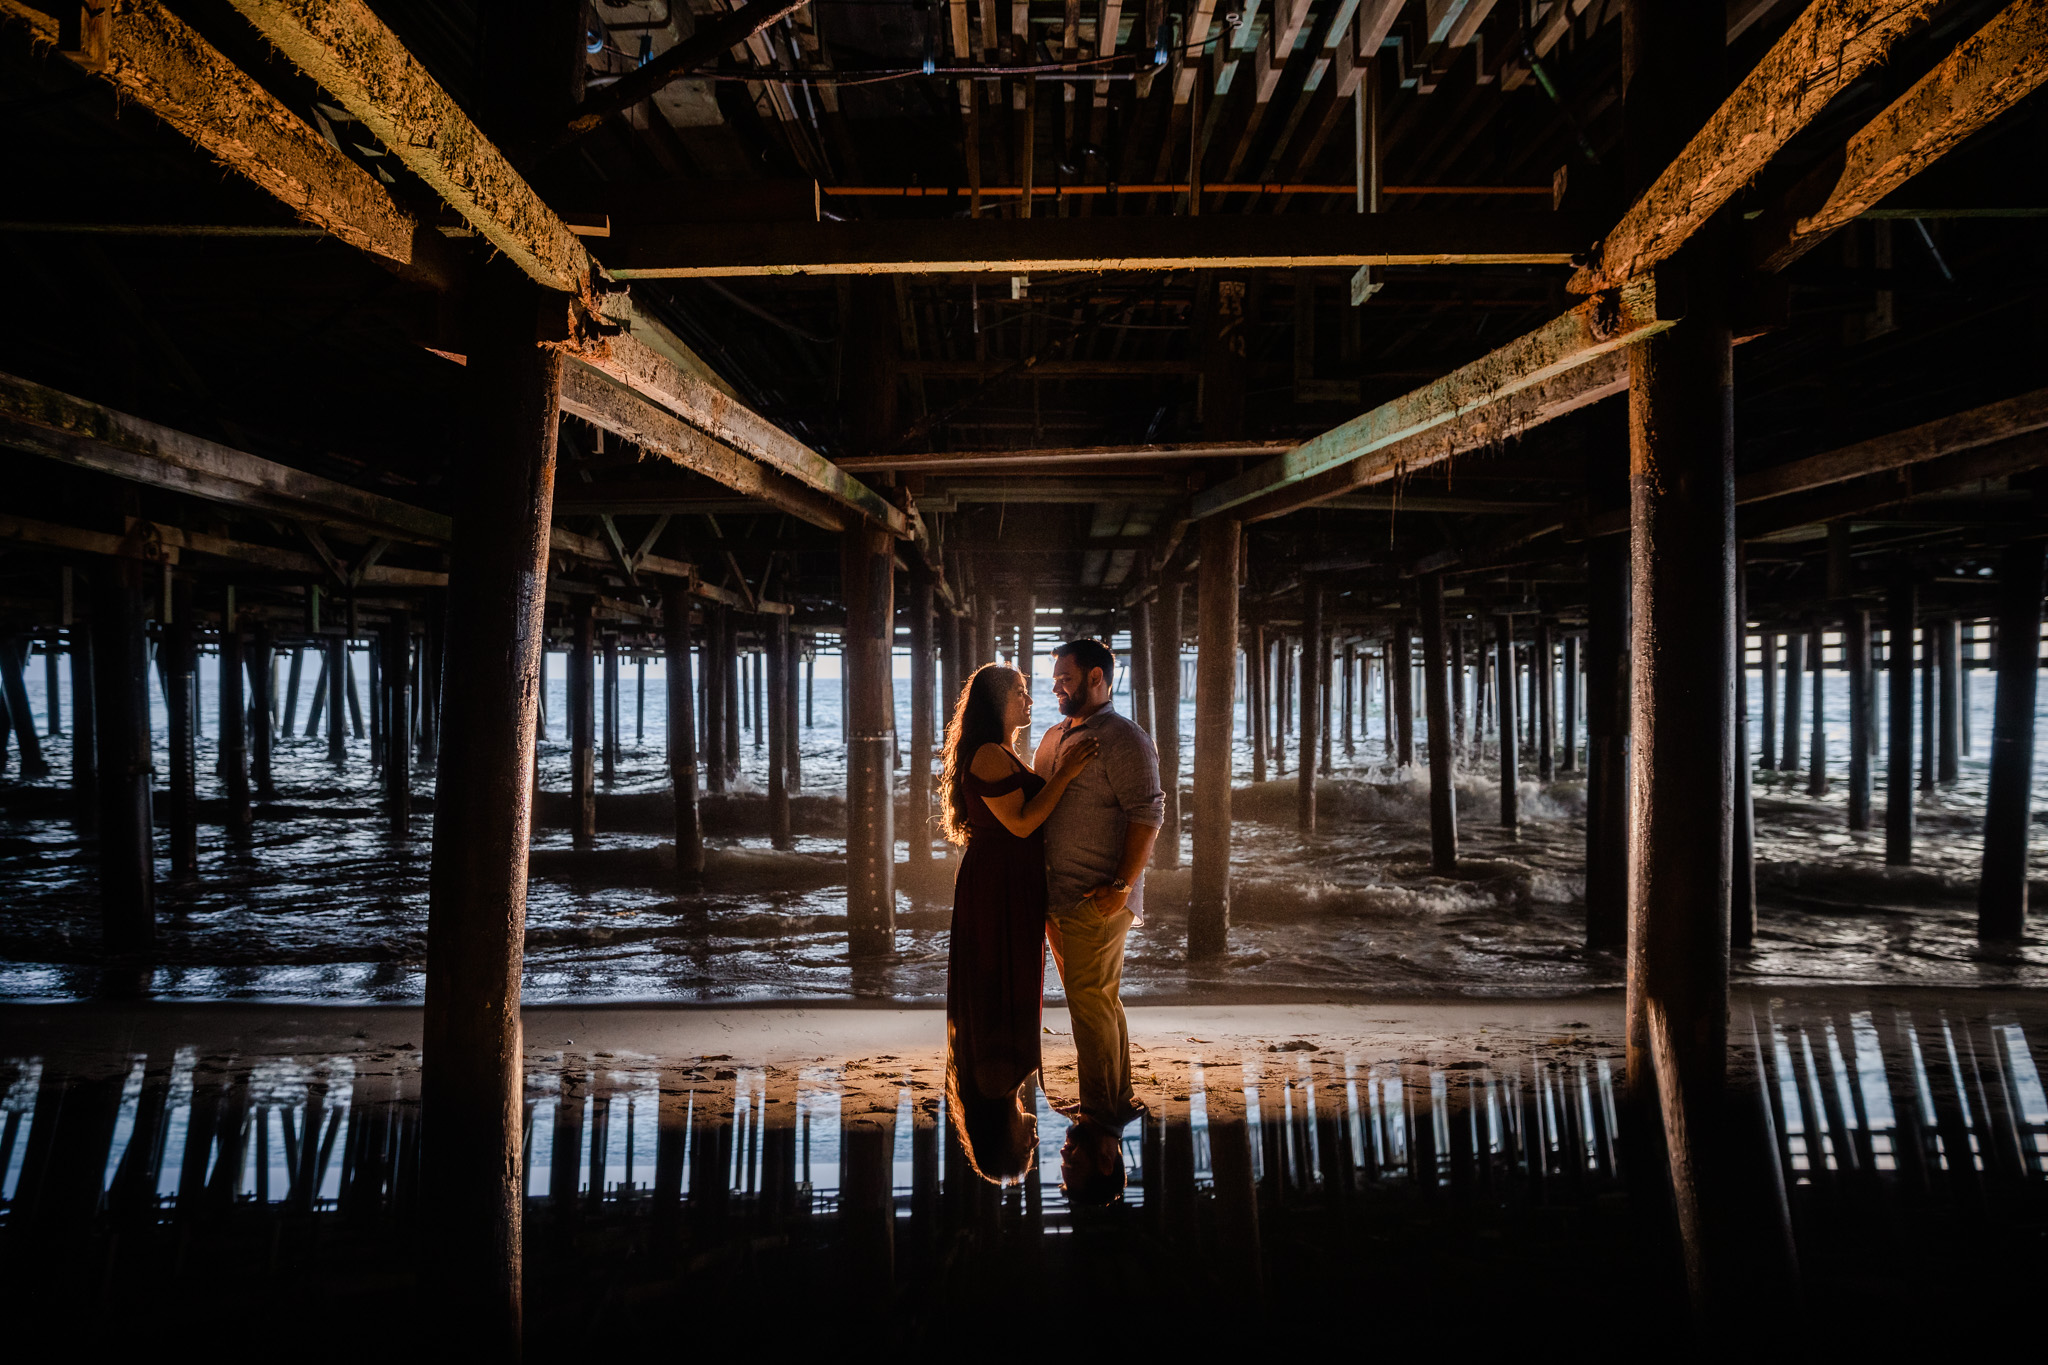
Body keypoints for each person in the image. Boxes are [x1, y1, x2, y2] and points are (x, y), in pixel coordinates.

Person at [937, 663, 1097, 1183]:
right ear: (997, 702)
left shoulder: (995, 752)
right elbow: (1024, 822)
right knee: (1001, 981)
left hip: (1004, 888)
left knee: (999, 983)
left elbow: (1022, 819)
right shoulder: (988, 754)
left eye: (1023, 1147)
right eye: (1021, 693)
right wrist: (1066, 775)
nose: (1030, 701)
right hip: (998, 888)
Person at [1032, 638, 1163, 1205]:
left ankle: (1102, 1109)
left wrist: (1119, 888)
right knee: (1099, 1000)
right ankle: (1112, 1102)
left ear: (1097, 678)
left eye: (1064, 677)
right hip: (1058, 898)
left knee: (1091, 1002)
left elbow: (1149, 813)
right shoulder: (1058, 735)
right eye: (1055, 677)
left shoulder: (1125, 739)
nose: (1056, 685)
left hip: (1094, 898)